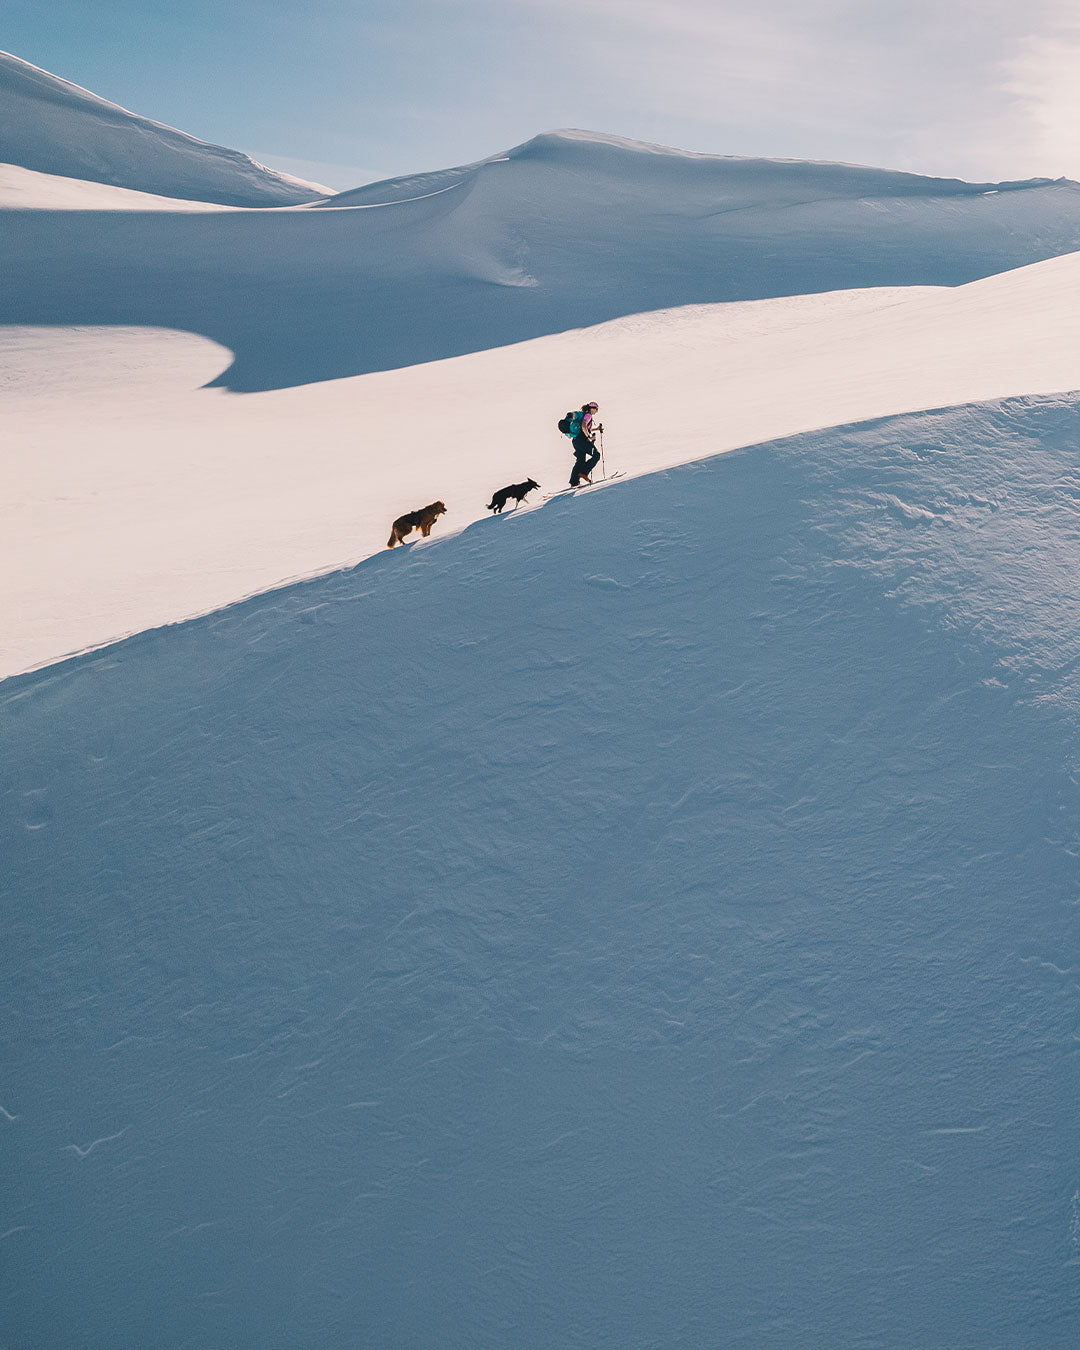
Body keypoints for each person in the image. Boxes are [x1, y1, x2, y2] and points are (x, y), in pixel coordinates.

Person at [569, 402, 601, 486]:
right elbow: (584, 426)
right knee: (596, 455)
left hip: (576, 441)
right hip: (582, 440)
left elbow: (585, 427)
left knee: (580, 461)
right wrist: (589, 437)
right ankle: (583, 473)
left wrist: (596, 429)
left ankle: (574, 482)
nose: (596, 411)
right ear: (592, 408)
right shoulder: (588, 415)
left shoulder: (584, 415)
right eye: (596, 409)